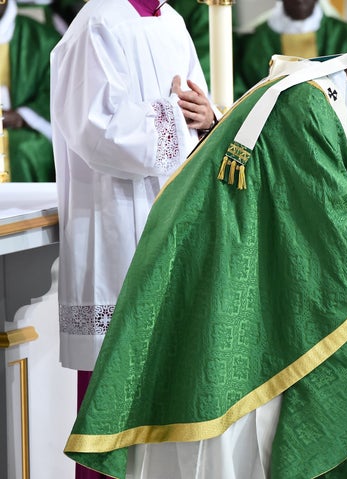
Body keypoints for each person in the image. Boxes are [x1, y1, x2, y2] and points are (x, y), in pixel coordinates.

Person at [62, 1, 347, 477]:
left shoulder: (325, 101)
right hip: (225, 267)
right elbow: (332, 222)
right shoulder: (310, 107)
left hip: (243, 257)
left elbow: (342, 209)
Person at [49, 0, 216, 477]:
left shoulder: (172, 21)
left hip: (169, 223)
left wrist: (207, 117)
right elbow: (97, 130)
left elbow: (196, 107)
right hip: (115, 229)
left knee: (165, 397)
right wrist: (174, 118)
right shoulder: (98, 22)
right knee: (112, 406)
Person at [233, 0, 347, 205]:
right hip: (271, 156)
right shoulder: (253, 42)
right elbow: (242, 98)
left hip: (341, 153)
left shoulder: (346, 36)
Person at [0, 0, 60, 182]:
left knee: (23, 149)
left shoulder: (43, 39)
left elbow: (56, 91)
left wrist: (21, 115)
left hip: (23, 128)